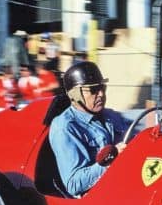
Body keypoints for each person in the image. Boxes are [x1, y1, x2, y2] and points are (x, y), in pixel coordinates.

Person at [49, 61, 128, 197]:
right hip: (96, 199)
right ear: (75, 95)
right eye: (93, 90)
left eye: (102, 88)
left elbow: (134, 131)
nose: (101, 94)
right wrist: (112, 161)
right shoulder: (65, 128)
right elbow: (73, 184)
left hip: (121, 184)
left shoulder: (109, 116)